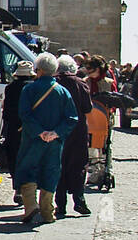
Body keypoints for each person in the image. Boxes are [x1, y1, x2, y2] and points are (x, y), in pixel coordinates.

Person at [14, 52, 80, 225]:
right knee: (51, 171)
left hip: (33, 139)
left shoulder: (29, 89)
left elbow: (24, 114)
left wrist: (40, 132)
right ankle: (47, 212)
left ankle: (30, 207)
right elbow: (72, 118)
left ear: (40, 70)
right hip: (55, 141)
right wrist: (56, 133)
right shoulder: (63, 91)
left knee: (28, 169)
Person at [54, 55, 92, 218]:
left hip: (57, 130)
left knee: (59, 165)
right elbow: (87, 108)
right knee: (78, 165)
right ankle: (79, 199)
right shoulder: (80, 83)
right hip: (77, 130)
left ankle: (60, 204)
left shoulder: (53, 83)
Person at [0, 60, 35, 179]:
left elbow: (6, 112)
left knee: (14, 156)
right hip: (30, 127)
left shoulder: (10, 88)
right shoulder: (33, 87)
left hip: (13, 127)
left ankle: (17, 186)